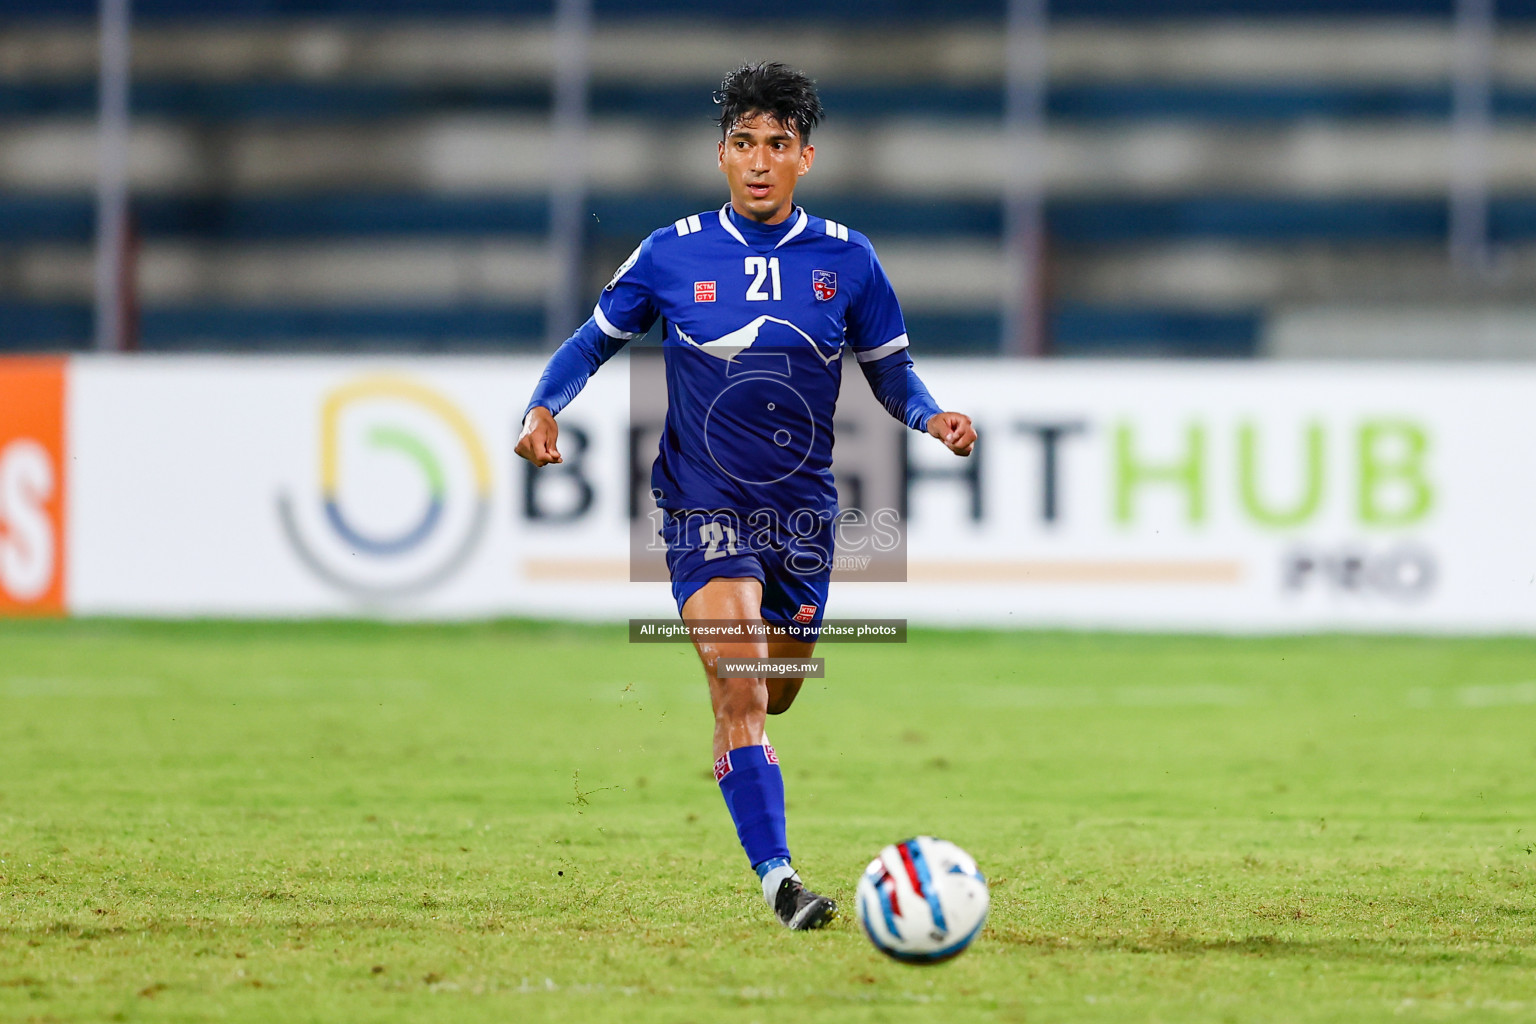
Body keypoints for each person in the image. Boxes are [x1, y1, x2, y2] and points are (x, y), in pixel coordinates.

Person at [516, 61, 976, 930]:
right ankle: (781, 882)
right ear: (720, 153)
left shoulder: (848, 259)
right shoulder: (669, 251)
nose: (759, 161)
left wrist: (932, 416)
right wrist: (543, 408)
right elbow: (590, 341)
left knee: (778, 686)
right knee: (741, 687)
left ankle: (748, 751)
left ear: (806, 156)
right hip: (701, 501)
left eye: (777, 145)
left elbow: (892, 375)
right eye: (742, 144)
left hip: (801, 514)